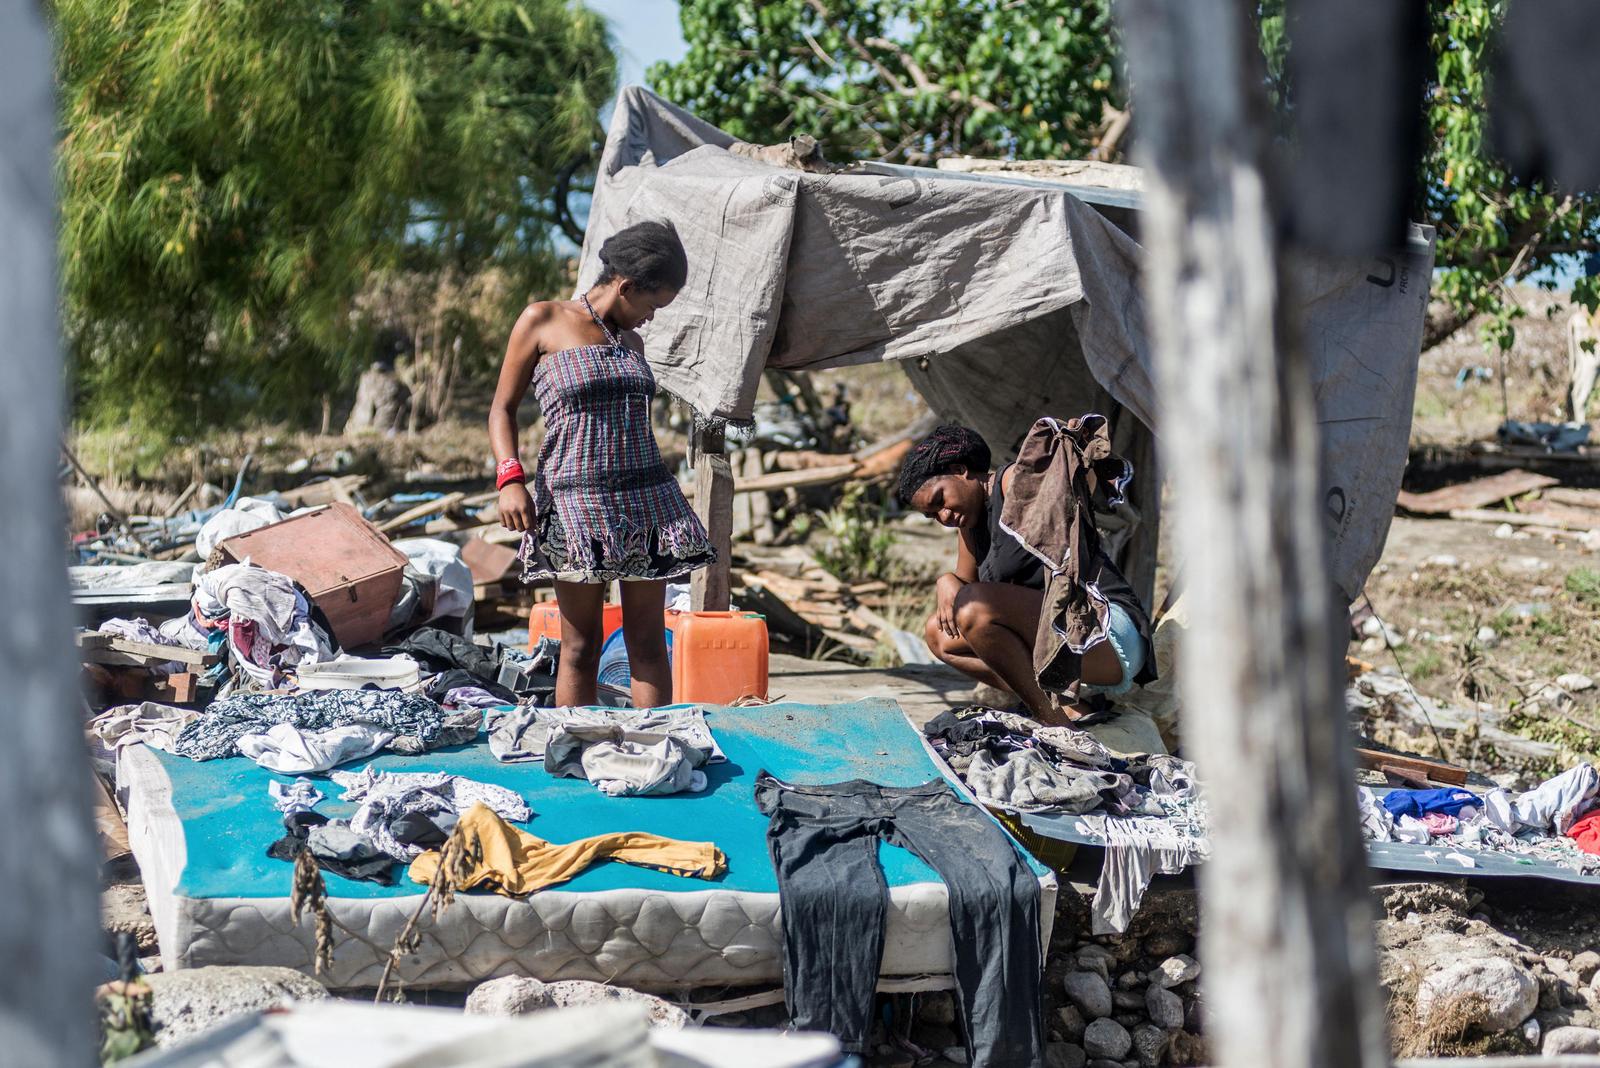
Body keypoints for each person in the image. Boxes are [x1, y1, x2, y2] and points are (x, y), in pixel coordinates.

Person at [489, 220, 714, 708]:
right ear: (627, 286)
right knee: (581, 645)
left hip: (647, 503)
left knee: (648, 644)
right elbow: (501, 408)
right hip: (575, 506)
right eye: (653, 305)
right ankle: (578, 751)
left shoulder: (630, 343)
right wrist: (511, 479)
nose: (652, 318)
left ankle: (656, 748)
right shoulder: (543, 320)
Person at [898, 424, 1146, 727]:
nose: (943, 517)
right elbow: (965, 595)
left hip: (1104, 628)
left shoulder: (1017, 482)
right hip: (1062, 643)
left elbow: (1069, 480)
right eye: (932, 515)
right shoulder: (970, 525)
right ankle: (1067, 705)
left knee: (974, 606)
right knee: (939, 634)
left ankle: (1053, 719)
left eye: (940, 500)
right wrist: (945, 580)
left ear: (960, 469)